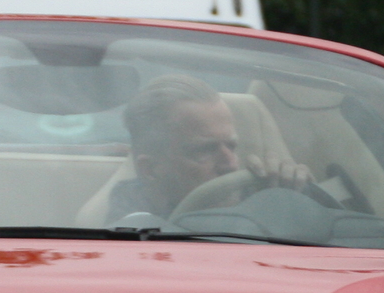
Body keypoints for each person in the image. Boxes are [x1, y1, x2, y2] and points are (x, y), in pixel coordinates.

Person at [105, 73, 315, 223]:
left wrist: (290, 202)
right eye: (204, 150)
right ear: (151, 170)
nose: (230, 165)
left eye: (231, 146)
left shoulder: (262, 194)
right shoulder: (127, 232)